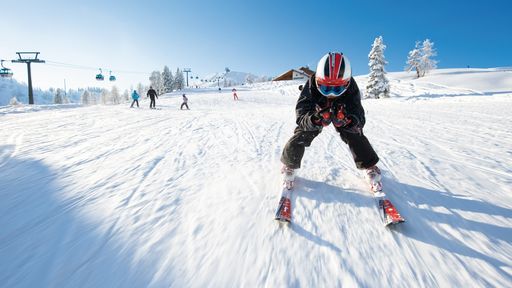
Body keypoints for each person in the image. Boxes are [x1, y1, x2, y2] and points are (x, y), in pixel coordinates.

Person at [280, 52, 381, 191]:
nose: (331, 93)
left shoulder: (351, 86)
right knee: (303, 132)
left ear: (346, 84)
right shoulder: (311, 84)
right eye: (326, 88)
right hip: (319, 110)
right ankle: (289, 164)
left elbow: (358, 113)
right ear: (318, 81)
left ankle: (369, 166)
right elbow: (301, 113)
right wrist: (314, 119)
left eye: (337, 88)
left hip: (342, 110)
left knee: (354, 133)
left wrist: (350, 120)